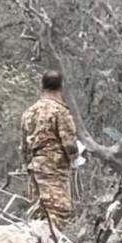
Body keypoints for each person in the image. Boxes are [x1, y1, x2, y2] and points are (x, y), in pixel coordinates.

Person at [22, 70, 81, 227]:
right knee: (58, 210)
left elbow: (24, 145)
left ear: (42, 86)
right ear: (61, 87)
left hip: (35, 167)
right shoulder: (60, 111)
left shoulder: (29, 112)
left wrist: (27, 164)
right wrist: (76, 158)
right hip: (54, 169)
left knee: (38, 211)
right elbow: (69, 141)